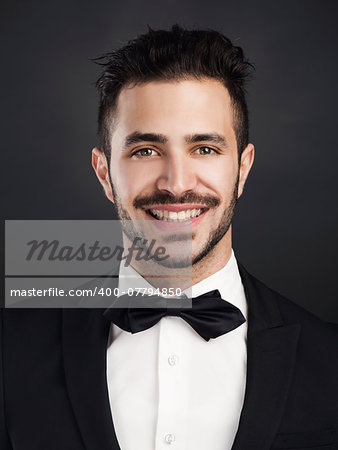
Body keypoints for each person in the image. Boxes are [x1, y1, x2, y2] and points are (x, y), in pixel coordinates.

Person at [1, 25, 337, 450]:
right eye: (145, 150)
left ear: (243, 168)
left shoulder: (330, 358)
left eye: (205, 149)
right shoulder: (10, 349)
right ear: (104, 173)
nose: (177, 184)